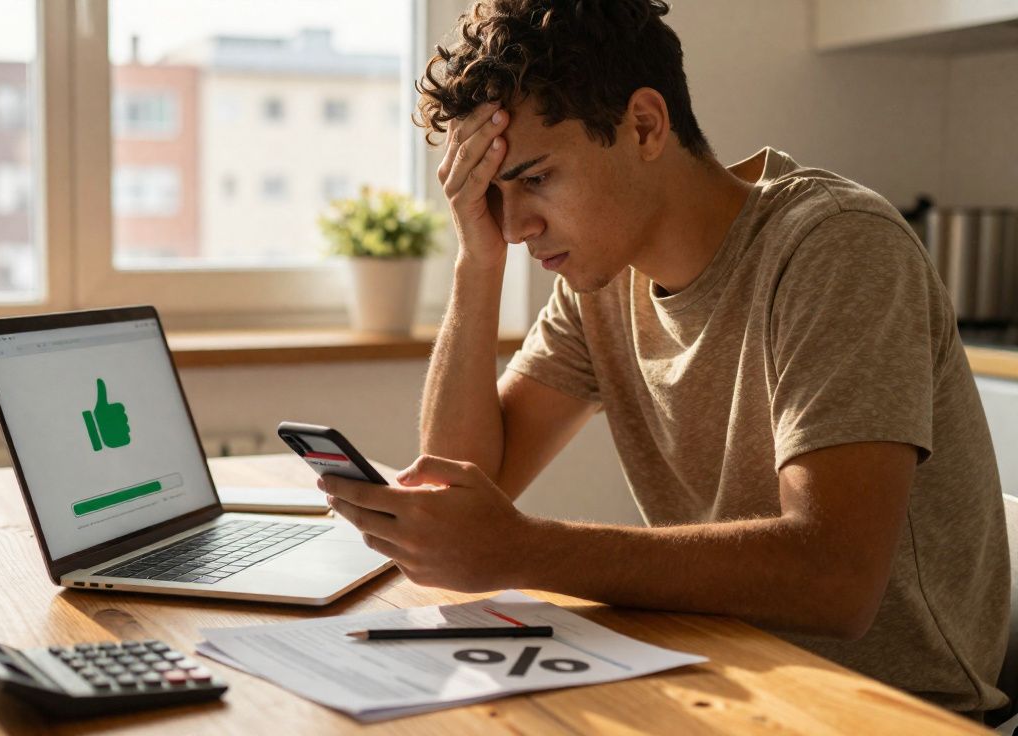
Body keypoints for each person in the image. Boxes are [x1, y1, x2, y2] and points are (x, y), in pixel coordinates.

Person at [315, 0, 1009, 720]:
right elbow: (464, 491)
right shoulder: (604, 278)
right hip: (725, 678)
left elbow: (833, 578)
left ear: (644, 125)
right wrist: (476, 260)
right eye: (492, 194)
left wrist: (525, 550)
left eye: (535, 179)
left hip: (895, 713)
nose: (516, 226)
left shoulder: (834, 246)